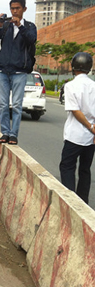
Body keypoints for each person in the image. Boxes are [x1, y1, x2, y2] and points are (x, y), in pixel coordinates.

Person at [0, 0, 37, 145]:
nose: (14, 11)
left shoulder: (29, 27)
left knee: (16, 105)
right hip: (3, 70)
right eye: (12, 8)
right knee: (3, 105)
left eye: (17, 8)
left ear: (24, 9)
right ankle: (5, 132)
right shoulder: (5, 26)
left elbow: (31, 40)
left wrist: (20, 26)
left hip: (19, 72)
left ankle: (13, 134)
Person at [59, 52, 95, 204]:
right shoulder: (94, 86)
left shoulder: (70, 86)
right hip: (91, 137)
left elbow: (75, 110)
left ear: (73, 67)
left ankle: (70, 201)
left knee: (67, 167)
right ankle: (83, 201)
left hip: (74, 136)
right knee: (85, 170)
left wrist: (89, 126)